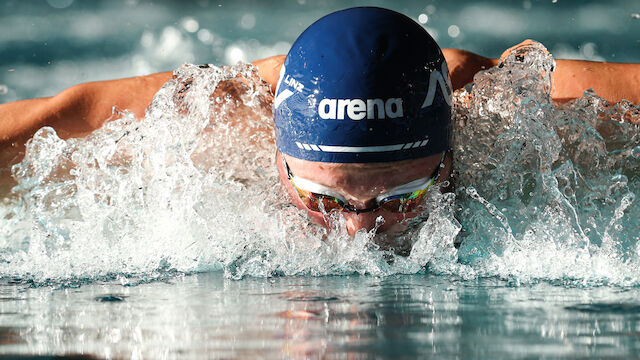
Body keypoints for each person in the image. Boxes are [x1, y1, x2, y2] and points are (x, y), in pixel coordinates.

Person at [1, 7, 639, 236]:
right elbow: (54, 119)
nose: (362, 231)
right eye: (325, 201)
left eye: (402, 197)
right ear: (279, 159)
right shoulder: (212, 120)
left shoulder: (525, 112)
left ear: (450, 153)